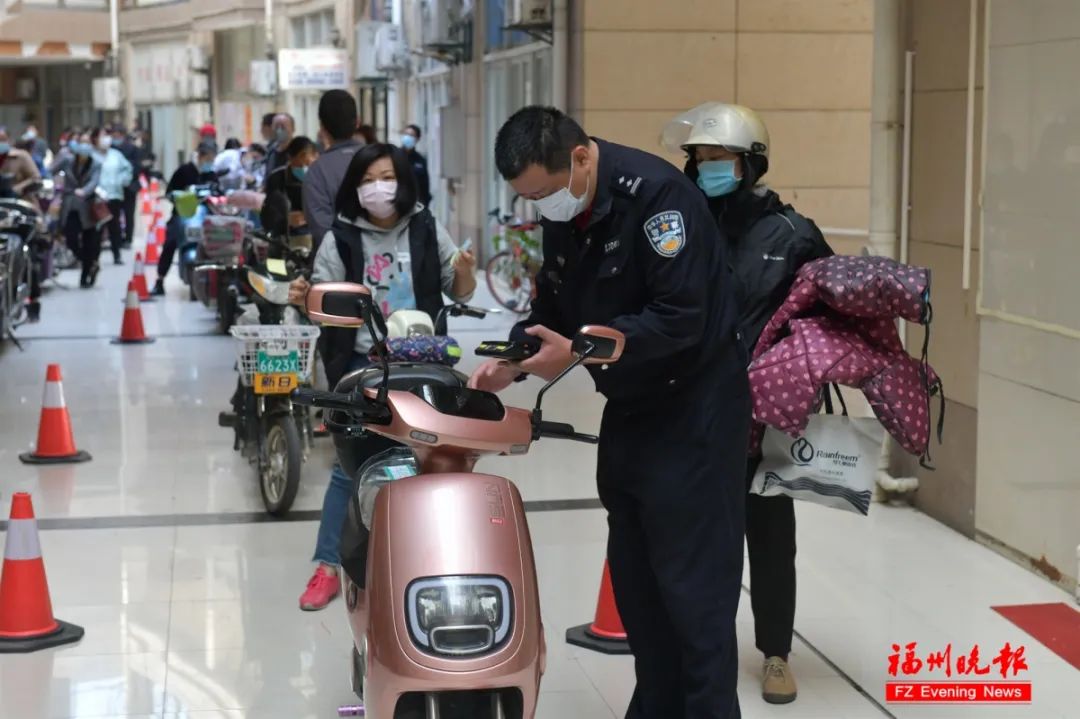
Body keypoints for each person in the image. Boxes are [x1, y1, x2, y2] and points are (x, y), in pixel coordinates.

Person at [469, 106, 749, 719]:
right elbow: (556, 301)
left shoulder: (659, 200)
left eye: (543, 192)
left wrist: (577, 352)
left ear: (581, 157)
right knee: (639, 588)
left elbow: (680, 318)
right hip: (630, 409)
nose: (542, 207)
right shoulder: (566, 210)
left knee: (695, 598)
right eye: (528, 199)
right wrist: (511, 362)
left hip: (694, 415)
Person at [659, 103, 832, 706]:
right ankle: (705, 647)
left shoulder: (792, 234)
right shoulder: (680, 223)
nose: (707, 169)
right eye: (699, 159)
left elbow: (828, 317)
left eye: (719, 159)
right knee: (702, 536)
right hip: (696, 406)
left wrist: (792, 367)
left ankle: (776, 653)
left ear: (751, 163)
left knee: (769, 531)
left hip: (768, 414)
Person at [286, 143, 477, 610]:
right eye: (368, 179)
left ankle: (429, 557)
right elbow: (322, 308)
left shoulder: (426, 226)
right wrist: (303, 298)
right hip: (361, 366)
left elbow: (459, 287)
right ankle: (328, 566)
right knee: (347, 466)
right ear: (356, 187)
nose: (378, 187)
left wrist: (467, 272)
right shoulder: (342, 238)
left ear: (403, 180)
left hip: (424, 361)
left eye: (386, 176)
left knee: (433, 459)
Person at [151, 141, 219, 295]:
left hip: (205, 217)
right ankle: (160, 280)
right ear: (200, 156)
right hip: (182, 216)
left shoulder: (212, 174)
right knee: (170, 243)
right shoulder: (184, 171)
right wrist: (179, 196)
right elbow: (170, 192)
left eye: (212, 160)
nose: (210, 163)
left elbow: (218, 191)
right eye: (208, 159)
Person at [304, 90, 363, 249]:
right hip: (386, 264)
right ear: (357, 122)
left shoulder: (318, 171)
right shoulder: (384, 161)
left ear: (322, 127)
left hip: (337, 269)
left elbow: (322, 230)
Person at [50, 129, 103, 288]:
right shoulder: (67, 160)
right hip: (70, 206)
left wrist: (84, 191)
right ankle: (88, 262)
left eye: (87, 144)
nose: (84, 147)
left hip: (88, 206)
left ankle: (86, 274)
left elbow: (94, 182)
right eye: (82, 144)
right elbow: (50, 169)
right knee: (71, 238)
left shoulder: (96, 163)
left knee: (90, 241)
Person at [95, 127, 134, 265]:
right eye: (102, 136)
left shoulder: (116, 155)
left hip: (114, 195)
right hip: (97, 198)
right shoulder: (92, 155)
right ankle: (94, 257)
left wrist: (122, 181)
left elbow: (127, 169)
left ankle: (116, 253)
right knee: (97, 228)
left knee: (114, 226)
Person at [265, 136, 317, 229]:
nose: (304, 167)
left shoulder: (322, 179)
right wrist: (286, 218)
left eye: (308, 163)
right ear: (290, 158)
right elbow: (269, 214)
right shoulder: (277, 178)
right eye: (299, 165)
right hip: (288, 235)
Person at [112, 125, 145, 249]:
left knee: (129, 213)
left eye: (117, 135)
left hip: (129, 186)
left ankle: (128, 238)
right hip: (114, 187)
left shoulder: (133, 149)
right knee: (115, 214)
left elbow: (138, 167)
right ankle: (118, 237)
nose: (115, 138)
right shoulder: (111, 149)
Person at [0, 127, 42, 198]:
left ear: (9, 141)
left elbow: (36, 177)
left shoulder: (21, 156)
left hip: (19, 200)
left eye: (3, 140)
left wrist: (17, 188)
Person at [400, 124, 431, 207]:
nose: (407, 137)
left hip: (416, 203)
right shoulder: (395, 156)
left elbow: (424, 185)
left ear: (417, 139)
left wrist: (425, 204)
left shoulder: (420, 160)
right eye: (405, 134)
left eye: (411, 135)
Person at [264, 114, 295, 182]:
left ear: (293, 129)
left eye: (283, 127)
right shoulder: (271, 151)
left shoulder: (298, 151)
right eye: (276, 126)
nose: (279, 130)